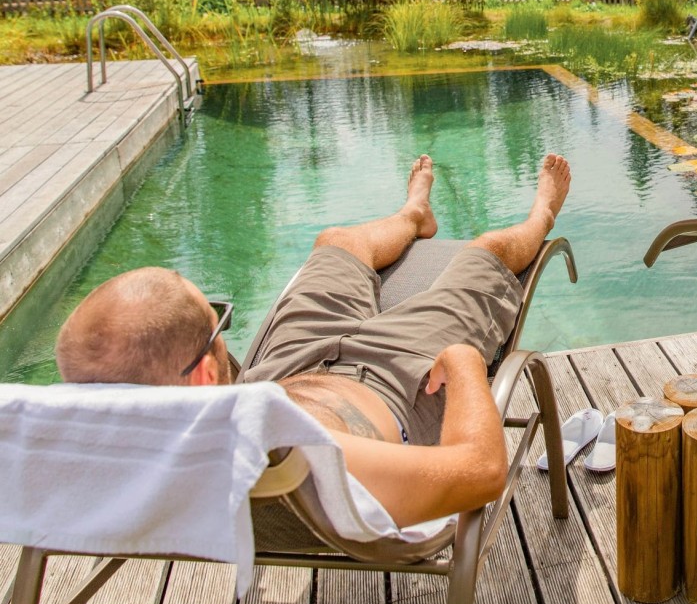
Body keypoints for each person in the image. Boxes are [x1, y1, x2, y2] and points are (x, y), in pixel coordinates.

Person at [55, 153, 572, 528]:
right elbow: (480, 472)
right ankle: (540, 216)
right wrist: (461, 362)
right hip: (397, 375)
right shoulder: (310, 452)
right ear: (205, 375)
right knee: (485, 254)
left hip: (288, 367)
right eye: (217, 322)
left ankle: (414, 215)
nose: (221, 330)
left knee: (337, 243)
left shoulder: (85, 455)